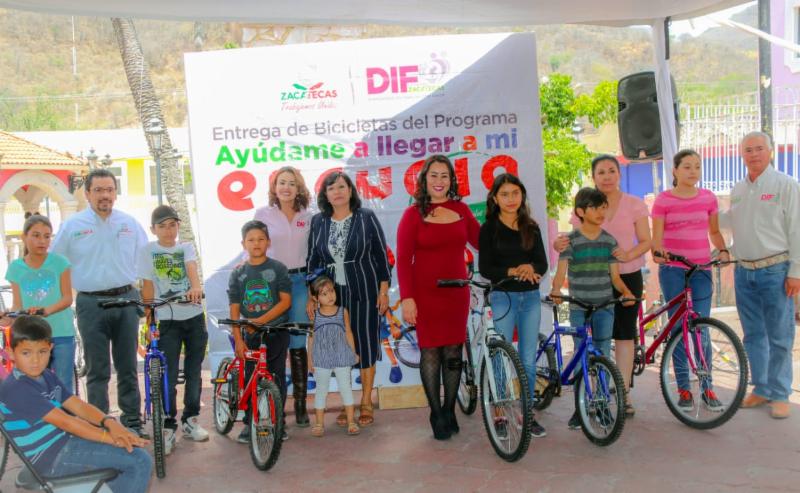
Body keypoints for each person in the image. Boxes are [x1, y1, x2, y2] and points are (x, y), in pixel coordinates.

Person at [0, 315, 151, 493]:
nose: (35, 360)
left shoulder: (46, 375)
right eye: (26, 353)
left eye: (42, 352)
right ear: (11, 353)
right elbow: (67, 422)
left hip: (62, 443)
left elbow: (78, 406)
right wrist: (111, 438)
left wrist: (110, 423)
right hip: (50, 459)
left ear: (50, 349)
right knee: (140, 461)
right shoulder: (16, 387)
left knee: (128, 436)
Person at [50, 168, 149, 435]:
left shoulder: (130, 224)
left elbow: (146, 260)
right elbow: (55, 263)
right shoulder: (72, 226)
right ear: (87, 194)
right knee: (97, 370)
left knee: (128, 366)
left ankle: (131, 422)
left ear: (115, 193)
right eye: (98, 190)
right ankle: (99, 426)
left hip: (126, 300)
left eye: (109, 190)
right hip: (90, 304)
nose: (105, 195)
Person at [554, 155, 651, 417]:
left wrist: (627, 255)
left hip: (626, 277)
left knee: (624, 335)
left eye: (611, 171)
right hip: (591, 281)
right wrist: (557, 244)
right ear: (593, 177)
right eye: (601, 172)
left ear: (619, 173)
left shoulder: (634, 204)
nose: (607, 176)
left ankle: (623, 394)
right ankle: (589, 397)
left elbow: (646, 240)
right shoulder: (586, 203)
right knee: (591, 341)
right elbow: (570, 241)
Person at [396, 155, 480, 440]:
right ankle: (436, 413)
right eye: (434, 175)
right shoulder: (412, 215)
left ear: (452, 180)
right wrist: (407, 298)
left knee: (454, 352)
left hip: (457, 293)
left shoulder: (462, 210)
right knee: (431, 352)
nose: (439, 181)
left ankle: (450, 409)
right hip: (425, 295)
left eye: (445, 175)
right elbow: (404, 260)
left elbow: (482, 242)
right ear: (424, 179)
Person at [306, 172, 391, 427]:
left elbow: (381, 256)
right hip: (331, 296)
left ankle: (365, 401)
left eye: (341, 187)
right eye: (331, 188)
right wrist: (312, 296)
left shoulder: (366, 217)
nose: (337, 192)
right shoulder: (318, 222)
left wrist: (383, 291)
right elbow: (313, 260)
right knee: (339, 347)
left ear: (351, 190)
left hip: (365, 290)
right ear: (325, 195)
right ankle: (347, 402)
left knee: (365, 344)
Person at [725, 131, 799, 419]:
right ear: (741, 154)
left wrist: (796, 272)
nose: (753, 154)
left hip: (776, 270)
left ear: (771, 151)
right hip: (744, 272)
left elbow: (796, 229)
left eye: (759, 149)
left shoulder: (786, 185)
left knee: (780, 335)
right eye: (748, 150)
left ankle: (780, 393)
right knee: (754, 334)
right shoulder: (738, 190)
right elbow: (730, 223)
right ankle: (762, 388)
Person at [550, 187, 634, 430]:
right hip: (578, 306)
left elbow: (615, 278)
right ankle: (581, 408)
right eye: (594, 208)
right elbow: (561, 273)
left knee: (602, 354)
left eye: (603, 207)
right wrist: (556, 290)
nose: (600, 212)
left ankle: (602, 404)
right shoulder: (570, 241)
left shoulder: (609, 241)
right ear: (580, 212)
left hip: (605, 306)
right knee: (580, 355)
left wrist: (627, 292)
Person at [652, 149, 729, 412]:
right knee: (678, 328)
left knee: (701, 327)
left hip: (701, 270)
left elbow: (714, 232)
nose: (693, 171)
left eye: (697, 166)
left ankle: (707, 387)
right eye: (686, 166)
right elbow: (656, 239)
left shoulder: (708, 197)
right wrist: (658, 253)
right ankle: (684, 389)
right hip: (673, 270)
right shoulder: (663, 200)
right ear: (674, 170)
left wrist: (723, 250)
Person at [479, 173, 548, 437]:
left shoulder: (531, 227)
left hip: (530, 298)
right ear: (495, 198)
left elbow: (542, 263)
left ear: (522, 195)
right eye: (504, 194)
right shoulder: (488, 229)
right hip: (503, 298)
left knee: (528, 359)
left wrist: (531, 267)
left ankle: (526, 413)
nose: (511, 199)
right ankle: (500, 413)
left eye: (515, 193)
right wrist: (514, 270)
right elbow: (486, 268)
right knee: (500, 356)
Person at [137, 205, 208, 454]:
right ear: (153, 229)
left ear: (178, 226)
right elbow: (147, 287)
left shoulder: (185, 247)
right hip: (167, 320)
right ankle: (168, 426)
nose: (168, 231)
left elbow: (192, 269)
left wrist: (196, 287)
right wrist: (149, 321)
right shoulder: (147, 251)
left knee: (193, 371)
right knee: (167, 374)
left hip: (194, 317)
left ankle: (190, 420)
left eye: (172, 225)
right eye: (162, 226)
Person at [254, 166, 314, 427]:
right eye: (282, 182)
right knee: (275, 343)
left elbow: (314, 253)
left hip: (300, 283)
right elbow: (253, 246)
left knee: (298, 342)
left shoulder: (309, 216)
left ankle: (300, 405)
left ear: (298, 188)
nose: (286, 187)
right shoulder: (263, 214)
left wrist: (312, 290)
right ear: (274, 187)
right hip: (272, 283)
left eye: (291, 183)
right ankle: (275, 404)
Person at [228, 220, 292, 442]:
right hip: (251, 335)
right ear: (243, 244)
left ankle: (278, 422)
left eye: (261, 239)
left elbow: (285, 302)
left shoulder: (278, 268)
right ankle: (250, 423)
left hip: (277, 331)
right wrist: (239, 339)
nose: (256, 243)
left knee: (276, 377)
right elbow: (234, 309)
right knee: (250, 377)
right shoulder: (238, 273)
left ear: (268, 242)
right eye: (251, 240)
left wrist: (259, 321)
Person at [5, 214, 76, 393]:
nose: (42, 241)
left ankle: (64, 413)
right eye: (36, 235)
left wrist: (46, 311)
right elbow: (17, 305)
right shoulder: (15, 268)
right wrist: (9, 318)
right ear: (24, 237)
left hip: (61, 333)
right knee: (34, 385)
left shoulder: (60, 263)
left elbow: (67, 298)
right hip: (31, 335)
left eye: (47, 236)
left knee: (63, 385)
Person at [306, 275, 360, 437]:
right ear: (315, 298)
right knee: (321, 390)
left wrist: (353, 352)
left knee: (346, 388)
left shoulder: (343, 312)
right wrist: (310, 359)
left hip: (342, 355)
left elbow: (348, 333)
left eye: (331, 291)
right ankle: (319, 424)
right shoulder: (314, 315)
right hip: (321, 358)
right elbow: (311, 338)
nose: (330, 295)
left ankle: (351, 422)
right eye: (324, 294)